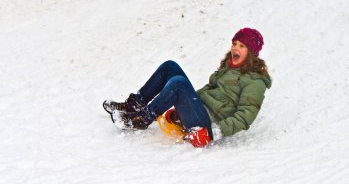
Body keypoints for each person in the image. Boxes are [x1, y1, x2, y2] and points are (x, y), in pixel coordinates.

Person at [103, 27, 272, 147]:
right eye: (234, 43)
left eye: (242, 46)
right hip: (199, 110)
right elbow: (209, 92)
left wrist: (212, 133)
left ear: (252, 53)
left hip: (206, 123)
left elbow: (245, 116)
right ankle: (134, 104)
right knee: (170, 66)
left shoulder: (255, 82)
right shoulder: (229, 68)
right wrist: (185, 105)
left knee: (178, 83)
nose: (235, 47)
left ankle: (142, 119)